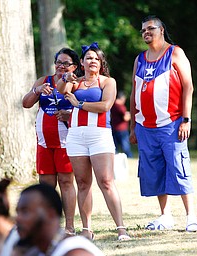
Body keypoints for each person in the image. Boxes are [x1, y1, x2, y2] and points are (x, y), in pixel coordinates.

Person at [129, 15, 197, 232]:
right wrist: (133, 125)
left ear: (161, 30)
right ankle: (165, 215)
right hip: (145, 126)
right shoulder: (139, 59)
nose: (145, 33)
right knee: (155, 171)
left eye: (150, 28)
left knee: (179, 167)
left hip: (171, 123)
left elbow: (188, 87)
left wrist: (186, 119)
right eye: (142, 30)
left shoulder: (175, 53)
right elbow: (134, 93)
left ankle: (191, 216)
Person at [57, 42, 130, 241]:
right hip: (76, 136)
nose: (93, 61)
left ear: (101, 62)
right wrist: (65, 77)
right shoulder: (76, 81)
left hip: (99, 135)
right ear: (81, 62)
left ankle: (121, 228)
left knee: (106, 181)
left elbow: (105, 105)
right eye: (89, 58)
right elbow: (61, 90)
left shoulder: (108, 82)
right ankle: (86, 229)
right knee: (82, 183)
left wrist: (78, 104)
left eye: (96, 58)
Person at [22, 48, 81, 236]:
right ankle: (47, 225)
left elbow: (81, 108)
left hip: (65, 140)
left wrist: (68, 114)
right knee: (46, 184)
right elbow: (26, 103)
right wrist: (36, 90)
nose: (61, 66)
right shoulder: (44, 81)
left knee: (66, 181)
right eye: (58, 62)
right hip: (44, 141)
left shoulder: (76, 83)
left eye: (66, 63)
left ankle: (69, 227)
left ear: (74, 67)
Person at [15, 183, 104, 256]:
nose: (17, 218)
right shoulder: (39, 250)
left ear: (50, 215)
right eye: (18, 212)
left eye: (25, 212)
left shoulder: (76, 252)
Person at [111, 91, 133, 158]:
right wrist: (129, 115)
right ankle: (129, 157)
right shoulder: (120, 106)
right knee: (125, 145)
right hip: (122, 128)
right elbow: (125, 118)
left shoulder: (112, 105)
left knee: (115, 146)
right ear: (122, 98)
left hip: (114, 127)